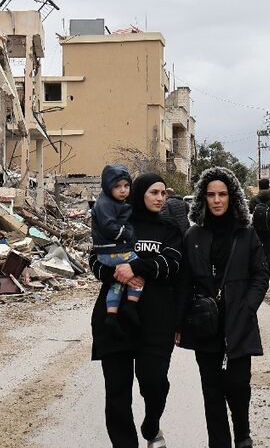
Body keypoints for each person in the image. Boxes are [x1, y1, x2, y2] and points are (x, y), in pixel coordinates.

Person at [178, 166, 270, 448]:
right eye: (211, 195)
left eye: (222, 194)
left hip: (239, 323)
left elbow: (260, 274)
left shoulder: (245, 234)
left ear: (232, 198)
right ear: (202, 199)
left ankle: (242, 434)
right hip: (205, 325)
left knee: (239, 386)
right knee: (212, 392)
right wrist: (180, 323)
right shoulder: (193, 236)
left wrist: (248, 306)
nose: (217, 200)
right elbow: (183, 282)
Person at [89, 173, 183, 448]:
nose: (159, 198)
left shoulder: (170, 229)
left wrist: (137, 267)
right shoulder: (119, 224)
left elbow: (173, 264)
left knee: (155, 384)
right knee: (117, 395)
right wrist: (116, 273)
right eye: (154, 192)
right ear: (140, 194)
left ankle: (151, 424)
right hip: (115, 320)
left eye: (163, 193)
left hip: (155, 322)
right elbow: (96, 259)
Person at [91, 164, 140, 331]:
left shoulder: (113, 202)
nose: (123, 190)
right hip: (112, 251)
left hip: (108, 252)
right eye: (117, 186)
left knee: (116, 284)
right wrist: (127, 233)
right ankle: (132, 305)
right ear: (108, 186)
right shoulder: (105, 203)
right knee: (139, 267)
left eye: (126, 186)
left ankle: (112, 314)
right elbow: (109, 227)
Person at [248, 178, 270, 263]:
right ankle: (266, 274)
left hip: (256, 230)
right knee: (268, 255)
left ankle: (256, 273)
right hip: (269, 229)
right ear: (268, 186)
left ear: (259, 187)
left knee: (255, 253)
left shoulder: (254, 199)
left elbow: (249, 211)